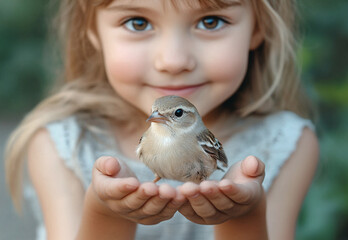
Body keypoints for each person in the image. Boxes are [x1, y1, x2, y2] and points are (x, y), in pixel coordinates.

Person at [5, 0, 319, 239]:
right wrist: (108, 212)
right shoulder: (61, 144)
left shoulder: (287, 143)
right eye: (138, 22)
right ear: (93, 33)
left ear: (257, 29)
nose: (173, 61)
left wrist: (241, 215)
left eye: (210, 21)